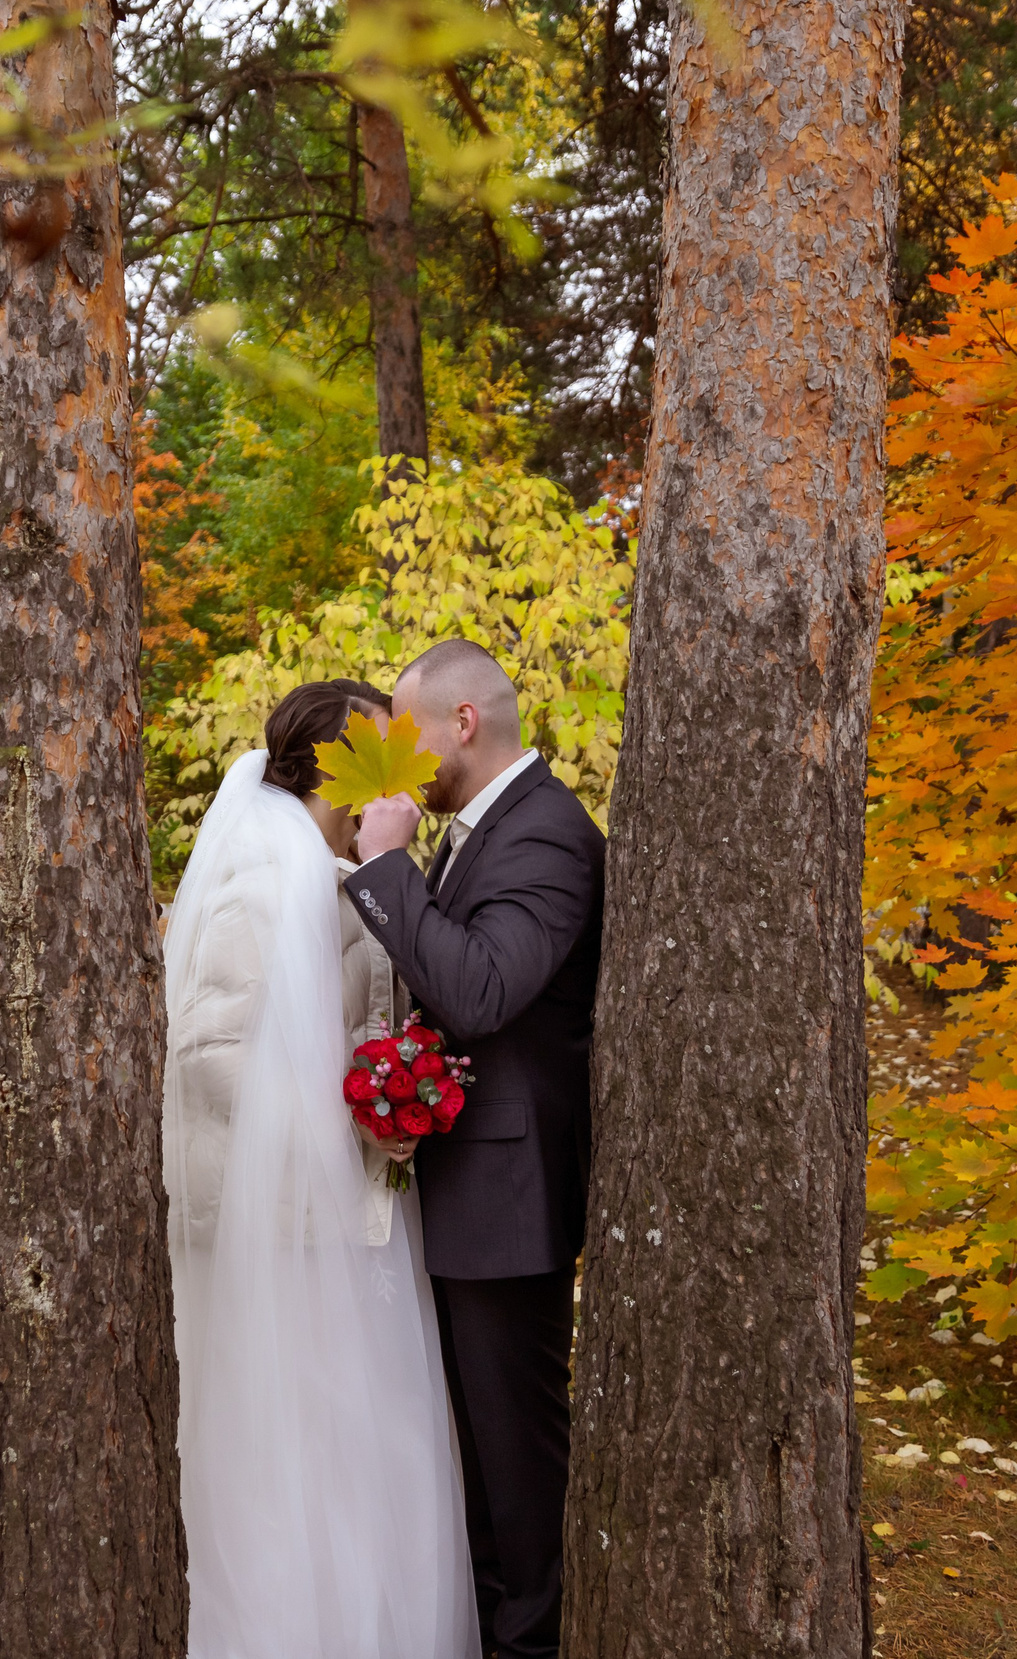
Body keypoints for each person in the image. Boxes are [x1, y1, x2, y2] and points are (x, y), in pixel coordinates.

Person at [163, 680, 481, 1659]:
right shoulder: (260, 875)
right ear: (340, 765)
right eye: (381, 753)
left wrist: (397, 1093)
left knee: (359, 1452)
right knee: (285, 1459)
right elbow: (213, 1055)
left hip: (344, 1217)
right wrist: (354, 1118)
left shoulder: (341, 864)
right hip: (276, 1226)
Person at [342, 639, 605, 1659]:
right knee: (476, 1447)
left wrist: (380, 866)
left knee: (516, 1451)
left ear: (462, 724)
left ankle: (534, 1644)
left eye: (408, 735)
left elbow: (484, 989)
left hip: (511, 1196)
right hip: (468, 1184)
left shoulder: (543, 832)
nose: (398, 763)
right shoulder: (479, 832)